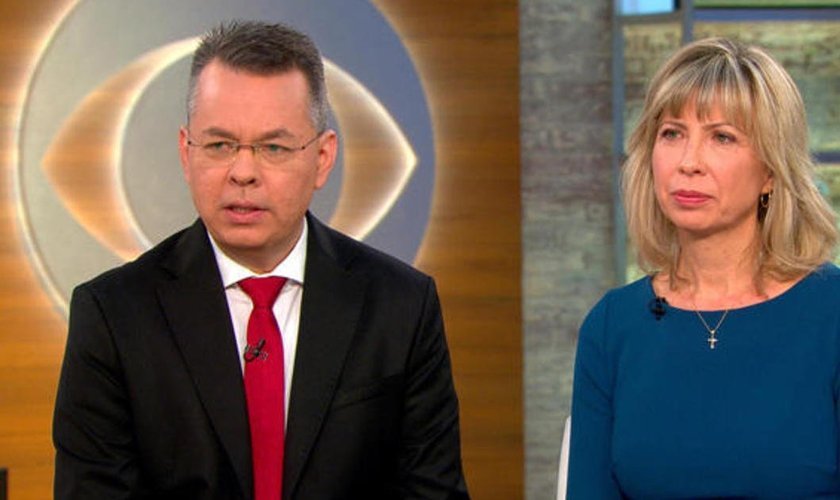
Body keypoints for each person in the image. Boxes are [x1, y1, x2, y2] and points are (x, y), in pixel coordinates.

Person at [53, 20, 469, 500]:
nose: (243, 172)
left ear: (323, 158)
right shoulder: (112, 316)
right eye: (220, 146)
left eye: (273, 147)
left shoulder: (401, 308)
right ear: (186, 154)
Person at [567, 37, 840, 498]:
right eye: (672, 133)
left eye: (722, 137)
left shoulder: (831, 314)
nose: (689, 163)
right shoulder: (612, 327)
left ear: (771, 171)